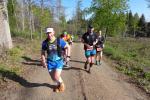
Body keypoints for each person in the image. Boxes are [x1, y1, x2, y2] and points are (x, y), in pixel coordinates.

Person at [41, 28, 70, 92]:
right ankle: (58, 85)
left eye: (50, 33)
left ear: (53, 32)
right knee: (53, 78)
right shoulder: (45, 42)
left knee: (56, 76)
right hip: (50, 62)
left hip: (59, 61)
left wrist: (68, 56)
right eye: (47, 33)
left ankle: (62, 85)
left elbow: (67, 46)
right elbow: (43, 52)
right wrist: (43, 61)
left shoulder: (59, 40)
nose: (49, 34)